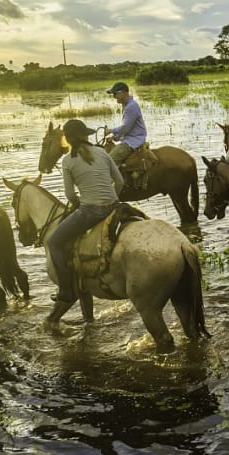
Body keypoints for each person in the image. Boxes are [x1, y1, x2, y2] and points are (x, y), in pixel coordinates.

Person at [46, 119, 124, 315]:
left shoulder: (68, 160)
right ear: (86, 135)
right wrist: (110, 199)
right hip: (115, 206)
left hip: (91, 211)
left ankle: (66, 290)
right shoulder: (102, 152)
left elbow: (70, 195)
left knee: (54, 241)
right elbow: (120, 182)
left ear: (68, 140)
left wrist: (81, 204)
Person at [105, 81, 147, 167]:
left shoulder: (131, 106)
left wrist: (110, 131)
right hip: (131, 139)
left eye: (116, 94)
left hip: (132, 141)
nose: (114, 96)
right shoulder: (128, 105)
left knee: (109, 161)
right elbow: (127, 129)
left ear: (124, 93)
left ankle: (118, 180)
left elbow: (125, 127)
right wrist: (114, 137)